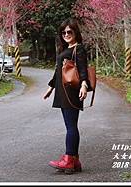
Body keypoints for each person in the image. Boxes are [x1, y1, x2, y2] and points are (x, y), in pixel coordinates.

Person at [43, 19, 91, 174]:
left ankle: (69, 159)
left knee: (71, 126)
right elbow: (59, 71)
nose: (66, 34)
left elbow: (83, 69)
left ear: (76, 32)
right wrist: (51, 87)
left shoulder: (79, 49)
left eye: (69, 32)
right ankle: (75, 160)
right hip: (62, 92)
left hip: (71, 92)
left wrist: (84, 84)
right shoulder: (65, 49)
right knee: (70, 125)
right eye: (63, 32)